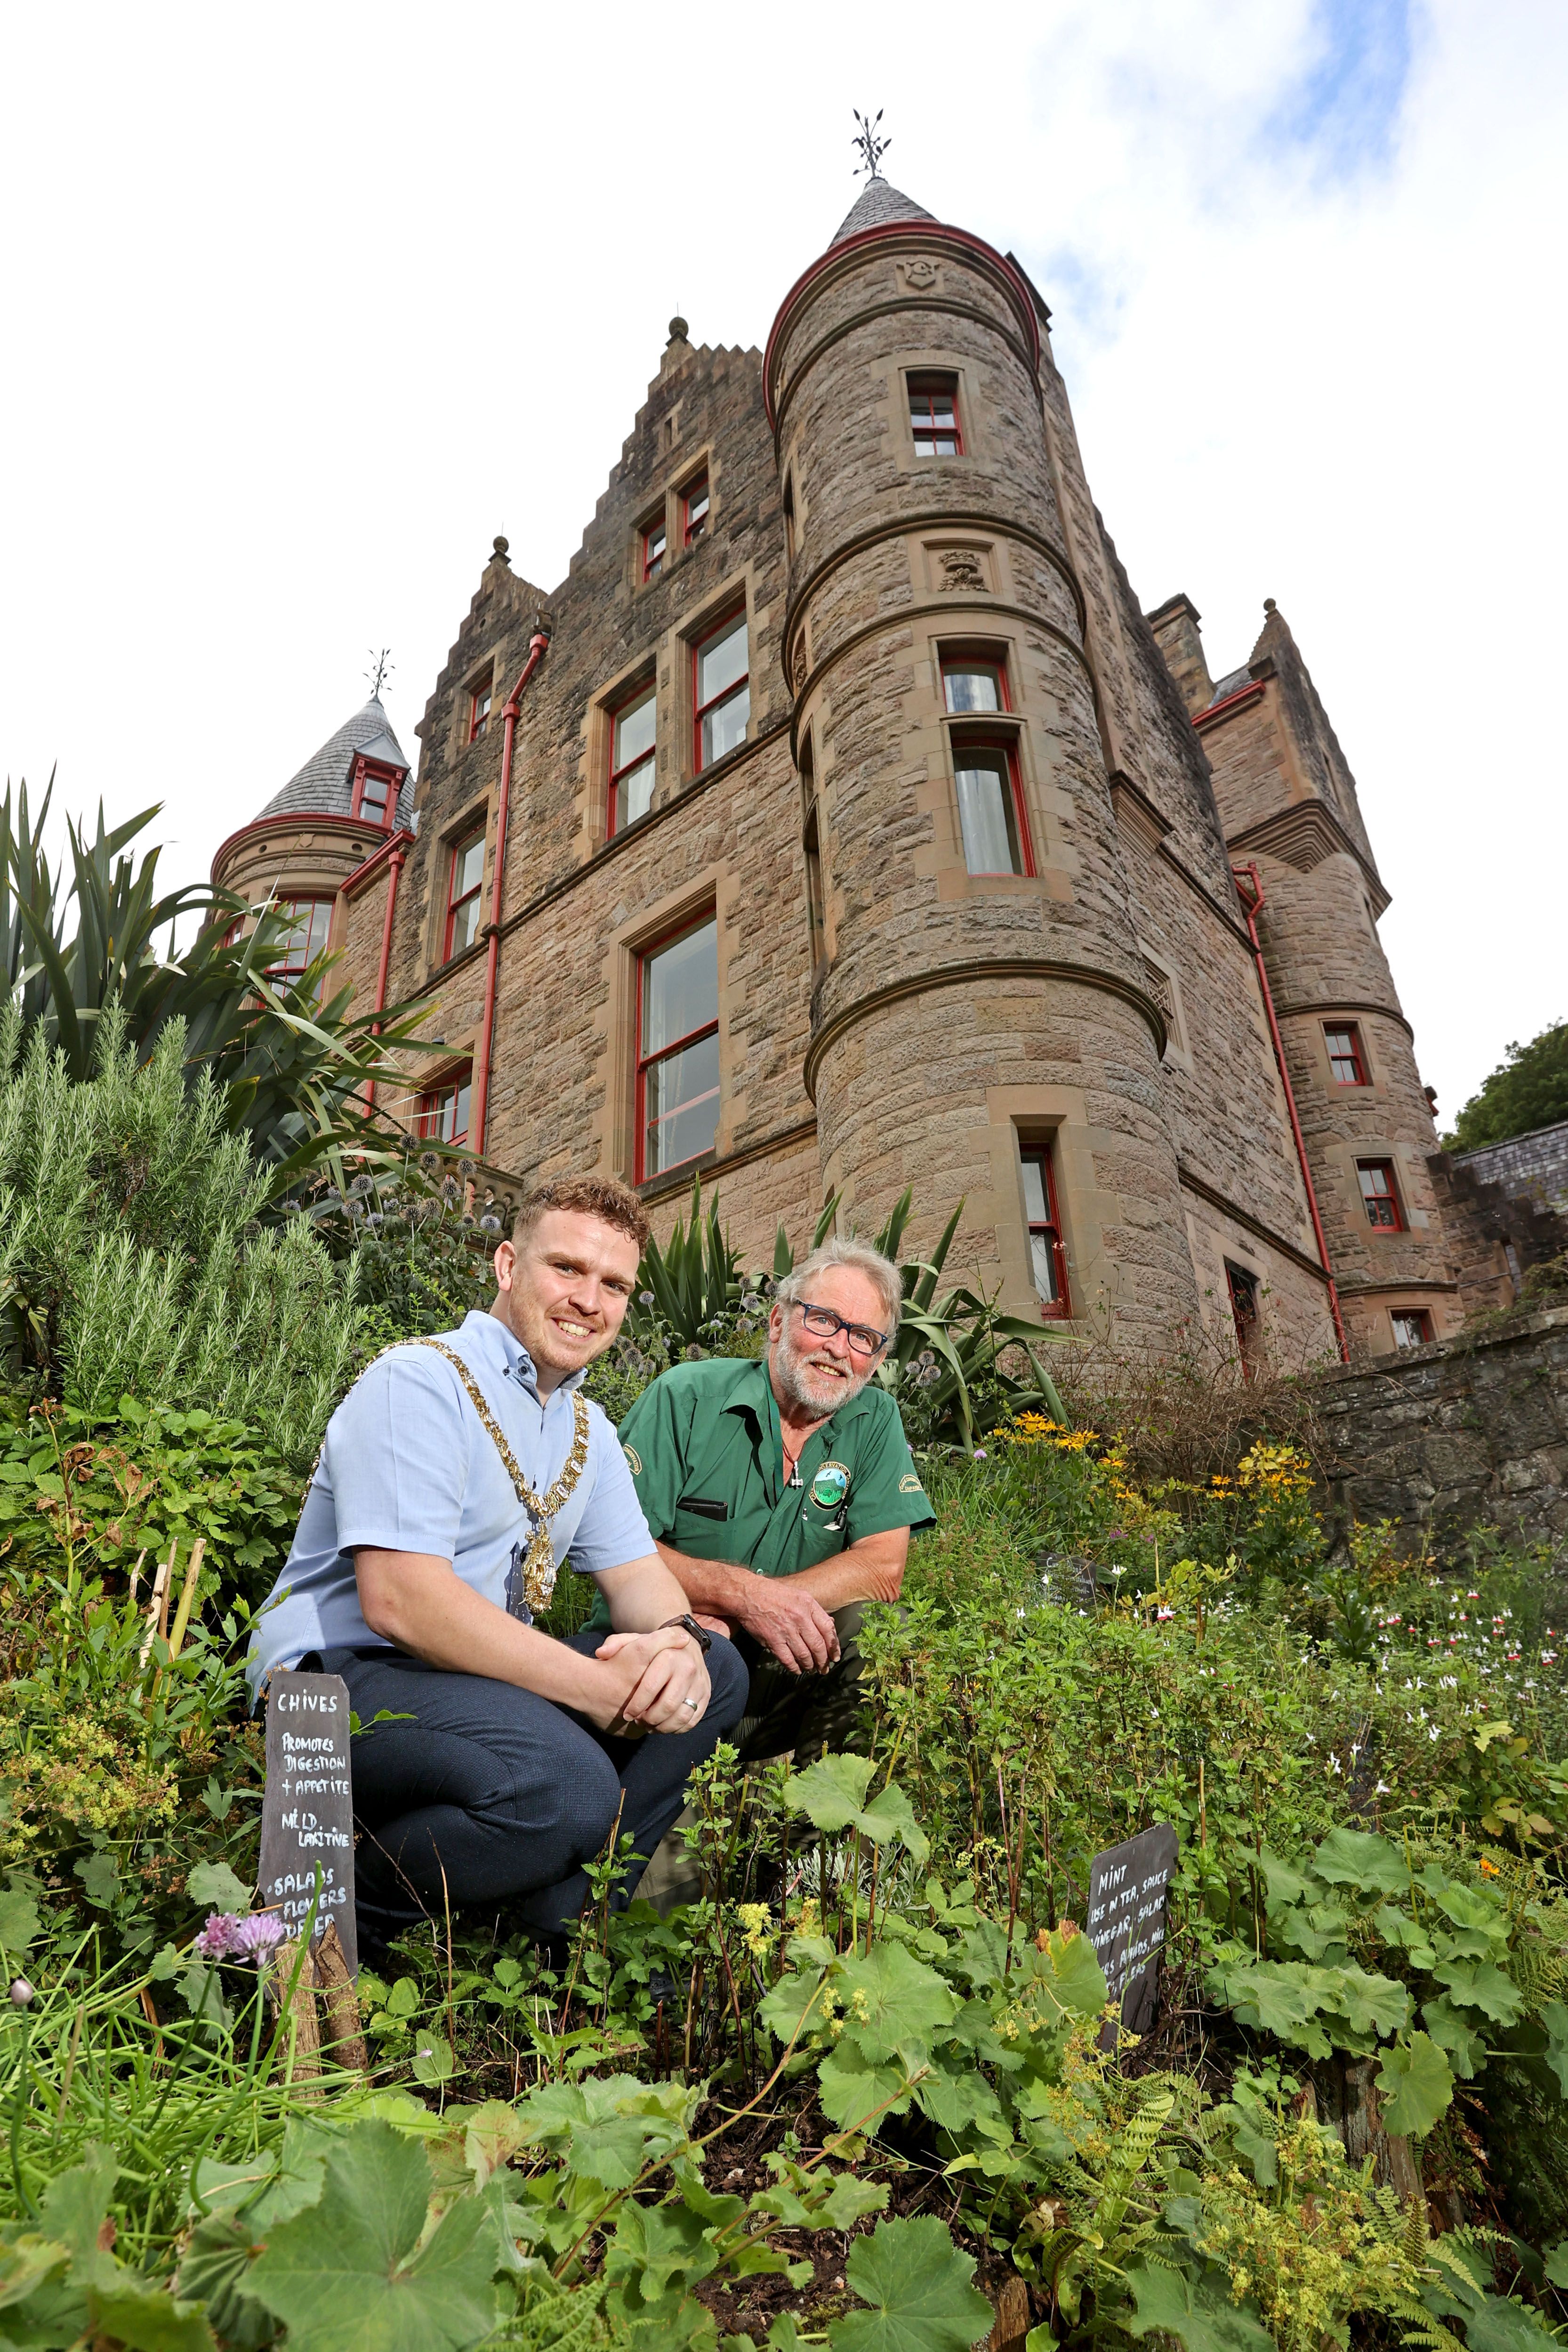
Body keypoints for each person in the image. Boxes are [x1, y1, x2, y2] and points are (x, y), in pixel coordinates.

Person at [246, 1174, 747, 1960]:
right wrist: (596, 1687)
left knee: (718, 1669)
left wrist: (678, 1642)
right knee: (568, 1786)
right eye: (568, 1269)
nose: (590, 1299)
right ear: (508, 1264)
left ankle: (561, 1920)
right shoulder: (419, 1379)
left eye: (614, 1284)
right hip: (340, 1676)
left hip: (465, 1680)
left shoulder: (588, 1427)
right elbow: (401, 1602)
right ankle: (352, 1914)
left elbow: (643, 1582)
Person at [595, 1238, 935, 1902]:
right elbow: (612, 1546)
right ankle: (664, 1905)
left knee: (874, 1636)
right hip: (673, 1667)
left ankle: (819, 1886)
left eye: (864, 1336)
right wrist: (731, 1597)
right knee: (661, 1918)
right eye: (825, 1321)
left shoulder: (874, 1419)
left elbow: (884, 1566)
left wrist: (763, 1604)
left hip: (786, 1677)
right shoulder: (685, 1398)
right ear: (778, 1321)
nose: (841, 1348)